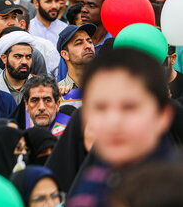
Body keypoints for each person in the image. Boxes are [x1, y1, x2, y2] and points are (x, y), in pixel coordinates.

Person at [66, 48, 178, 207]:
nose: (113, 122)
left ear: (163, 115)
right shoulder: (89, 184)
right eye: (100, 107)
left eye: (129, 107)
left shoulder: (175, 189)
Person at [0, 30, 35, 104]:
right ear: (4, 58)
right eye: (18, 56)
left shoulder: (41, 87)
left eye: (28, 57)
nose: (24, 61)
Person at [57, 24, 96, 90]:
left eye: (90, 41)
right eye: (79, 43)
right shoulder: (56, 93)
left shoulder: (109, 85)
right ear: (65, 54)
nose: (88, 46)